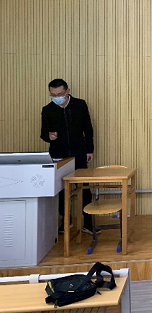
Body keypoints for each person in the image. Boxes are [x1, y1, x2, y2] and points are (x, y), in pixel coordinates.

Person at [41, 78, 94, 233]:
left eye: (59, 94)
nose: (56, 97)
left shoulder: (79, 105)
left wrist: (89, 150)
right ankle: (65, 222)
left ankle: (88, 223)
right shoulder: (48, 109)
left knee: (84, 189)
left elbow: (88, 129)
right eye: (53, 95)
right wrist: (49, 136)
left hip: (79, 153)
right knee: (62, 189)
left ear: (67, 91)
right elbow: (43, 133)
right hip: (59, 155)